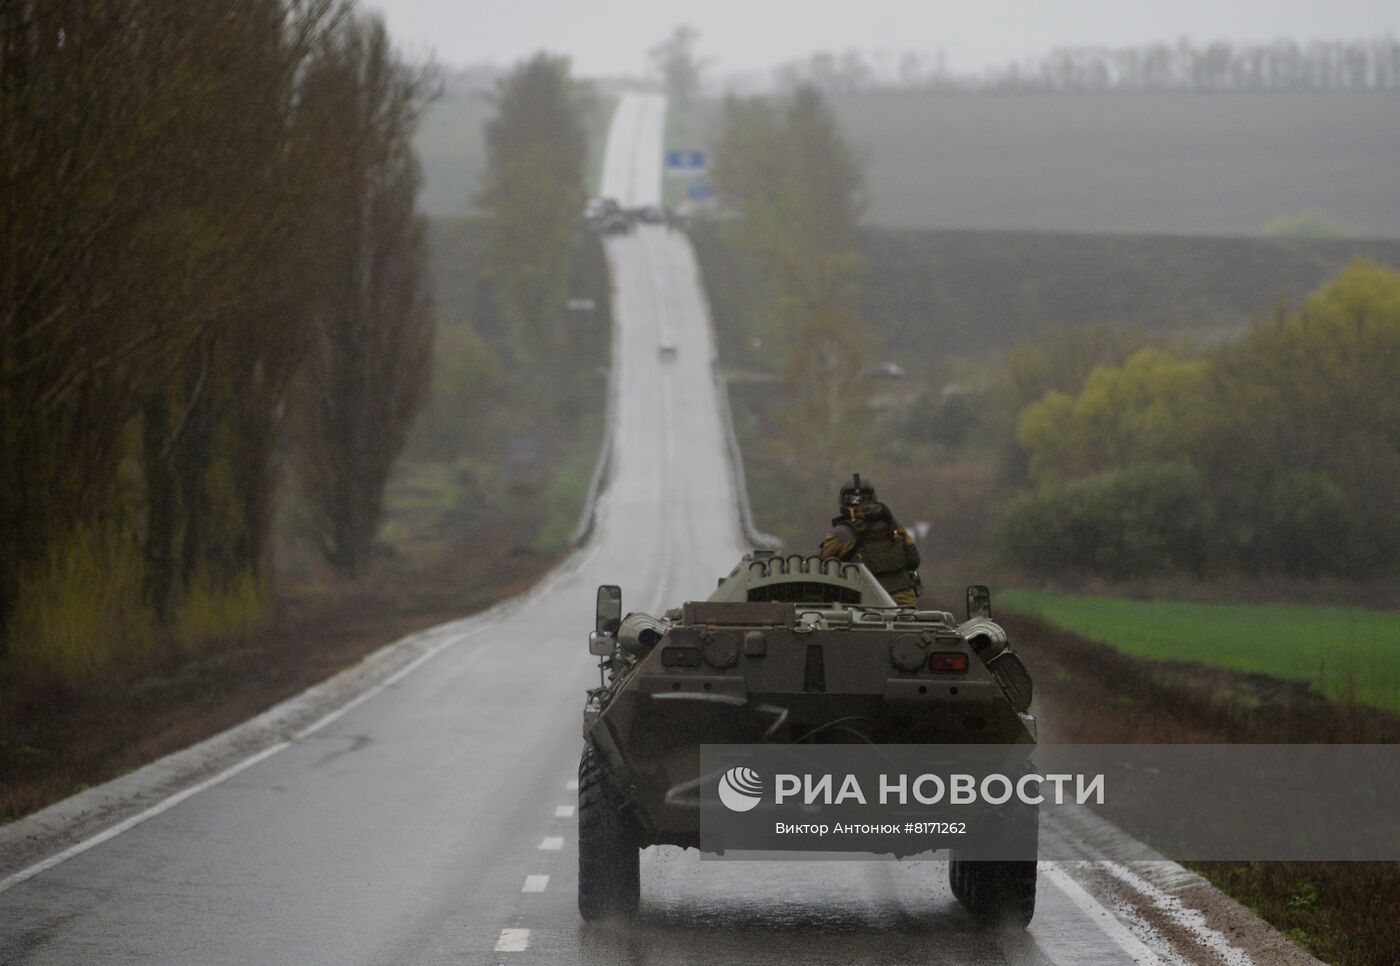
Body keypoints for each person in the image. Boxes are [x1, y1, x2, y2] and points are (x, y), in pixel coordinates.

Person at [819, 474, 922, 605]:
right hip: (903, 599)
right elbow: (913, 560)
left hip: (863, 601)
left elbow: (821, 568)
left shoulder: (841, 534)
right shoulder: (893, 525)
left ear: (844, 502)